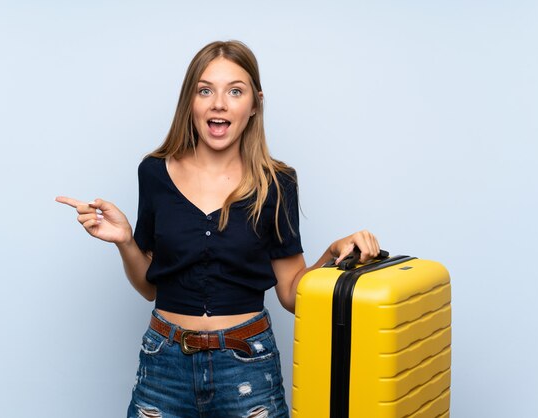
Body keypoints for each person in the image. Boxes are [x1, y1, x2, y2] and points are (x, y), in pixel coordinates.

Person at [56, 40, 379, 418]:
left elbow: (292, 294)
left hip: (248, 367)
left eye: (235, 91)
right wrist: (125, 241)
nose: (219, 104)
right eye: (205, 90)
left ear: (255, 103)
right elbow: (149, 287)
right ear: (190, 102)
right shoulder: (154, 172)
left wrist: (334, 252)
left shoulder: (277, 182)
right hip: (164, 365)